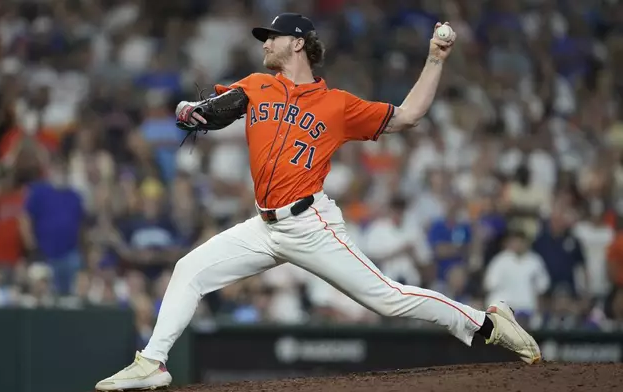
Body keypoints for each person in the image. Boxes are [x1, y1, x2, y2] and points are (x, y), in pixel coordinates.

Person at [95, 13, 541, 391]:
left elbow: (408, 117)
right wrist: (191, 109)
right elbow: (220, 106)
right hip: (265, 226)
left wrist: (434, 60)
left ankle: (487, 322)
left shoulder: (337, 105)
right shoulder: (256, 85)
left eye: (272, 36)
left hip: (311, 224)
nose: (265, 43)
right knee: (188, 269)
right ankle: (153, 362)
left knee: (388, 298)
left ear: (297, 43)